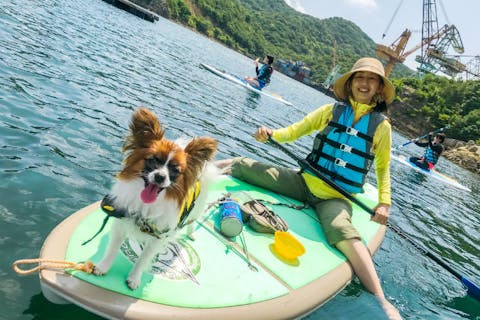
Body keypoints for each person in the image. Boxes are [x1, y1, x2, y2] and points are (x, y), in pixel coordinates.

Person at [217, 57, 402, 320]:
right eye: (359, 78)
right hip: (304, 182)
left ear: (379, 89)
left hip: (336, 197)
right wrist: (271, 134)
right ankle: (199, 169)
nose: (364, 83)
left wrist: (384, 203)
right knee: (247, 167)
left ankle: (382, 300)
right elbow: (294, 131)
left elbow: (383, 169)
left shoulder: (381, 127)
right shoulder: (331, 111)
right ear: (350, 84)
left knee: (342, 231)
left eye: (371, 79)